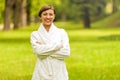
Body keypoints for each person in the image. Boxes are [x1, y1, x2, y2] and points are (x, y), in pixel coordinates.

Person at [30, 5, 70, 80]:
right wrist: (58, 46)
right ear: (40, 16)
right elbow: (38, 52)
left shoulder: (62, 32)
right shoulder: (35, 35)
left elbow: (66, 53)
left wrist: (44, 47)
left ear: (54, 16)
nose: (48, 17)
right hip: (41, 73)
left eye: (51, 14)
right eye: (45, 14)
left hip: (59, 74)